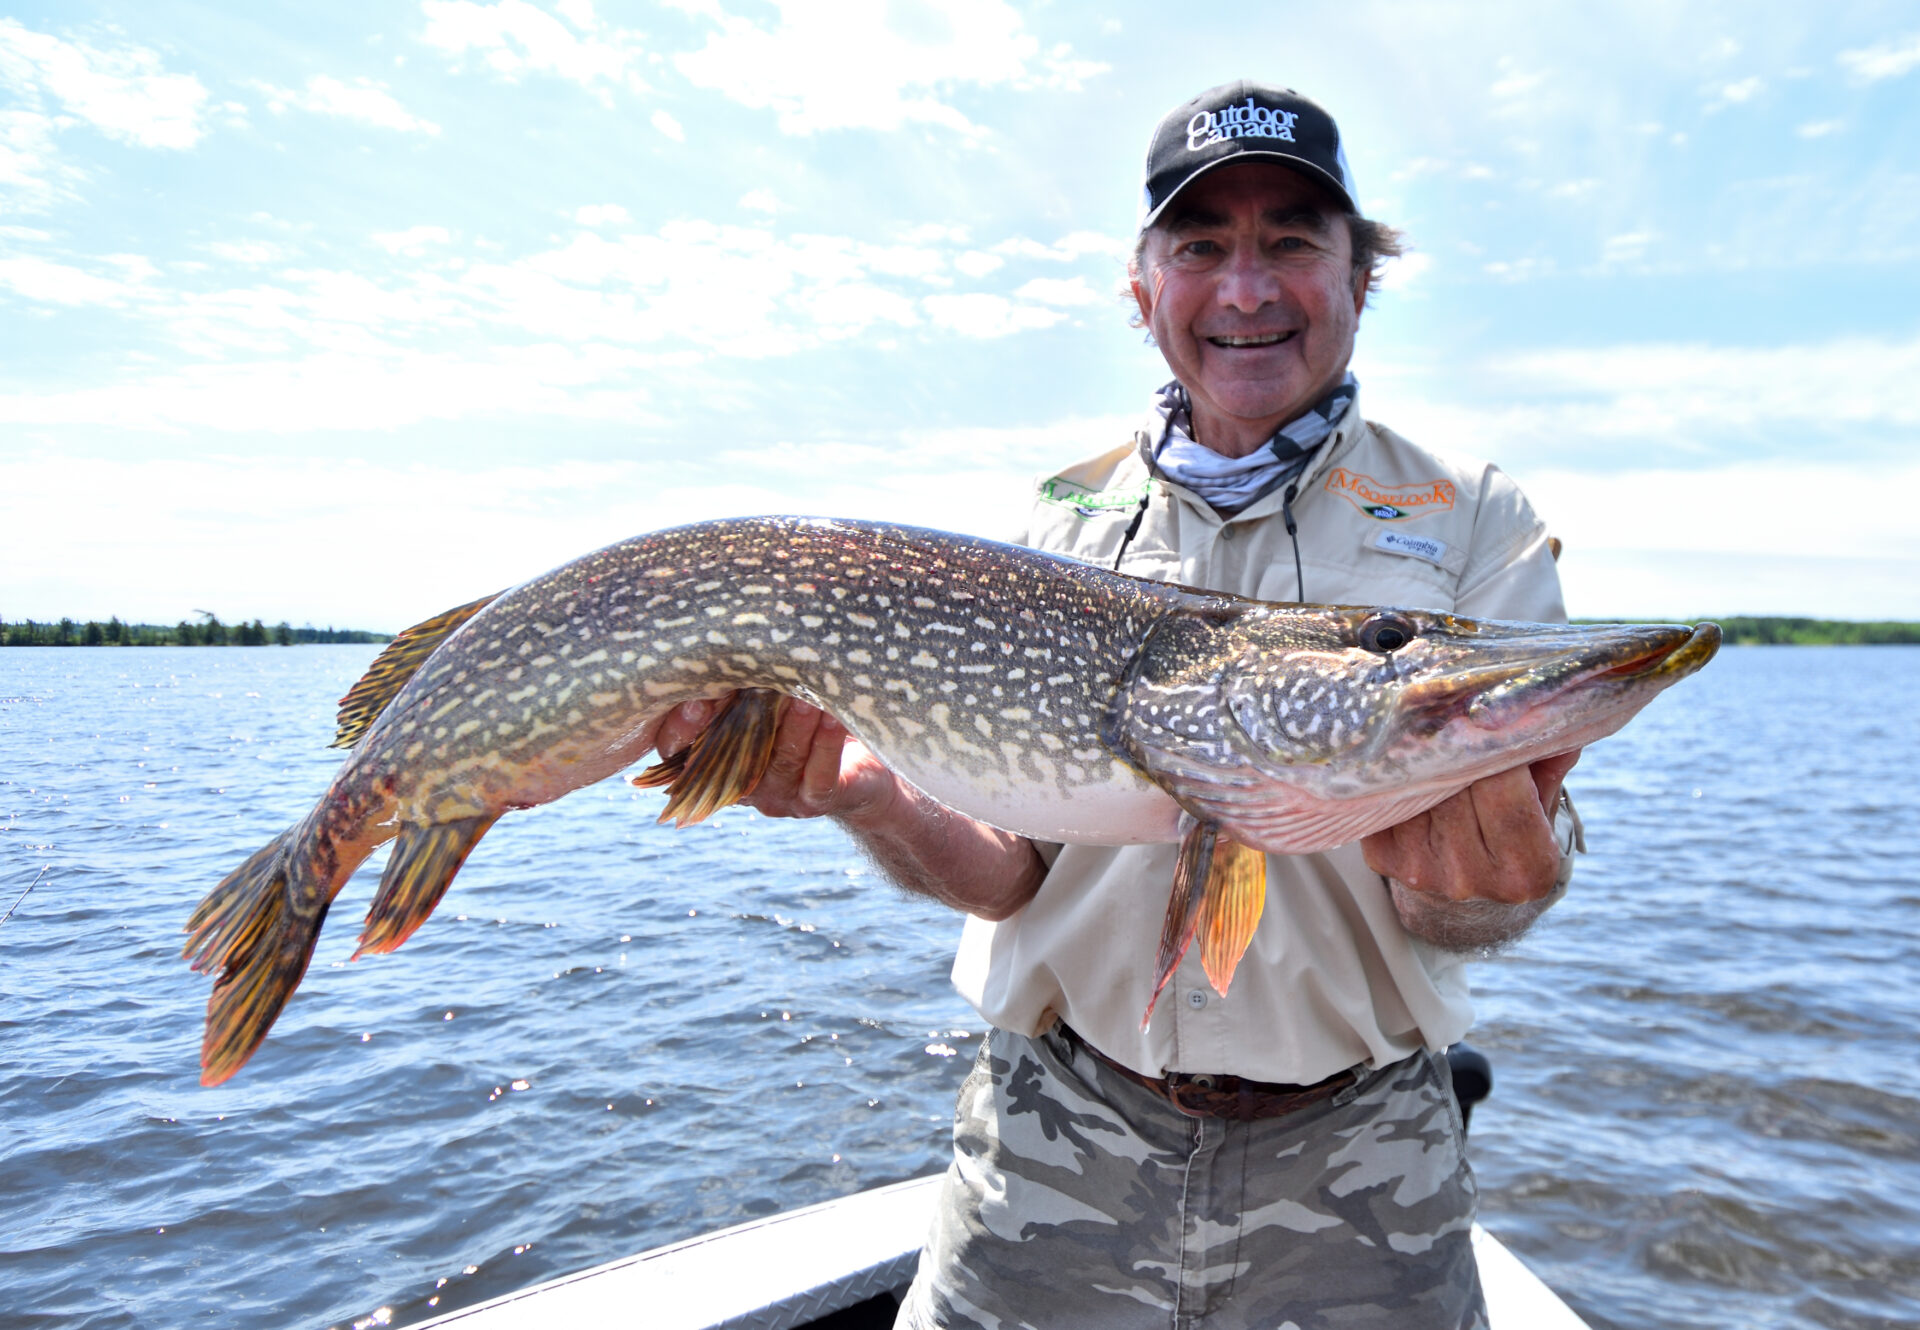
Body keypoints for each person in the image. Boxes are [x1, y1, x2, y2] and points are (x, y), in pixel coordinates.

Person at [654, 81, 1580, 1330]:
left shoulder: (1475, 519)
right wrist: (866, 797)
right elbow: (1011, 873)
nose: (1246, 289)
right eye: (1202, 247)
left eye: (1293, 241)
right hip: (1052, 1134)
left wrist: (1485, 885)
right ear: (1143, 289)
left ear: (1362, 279)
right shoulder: (1054, 518)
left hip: (1364, 1155)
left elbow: (1474, 883)